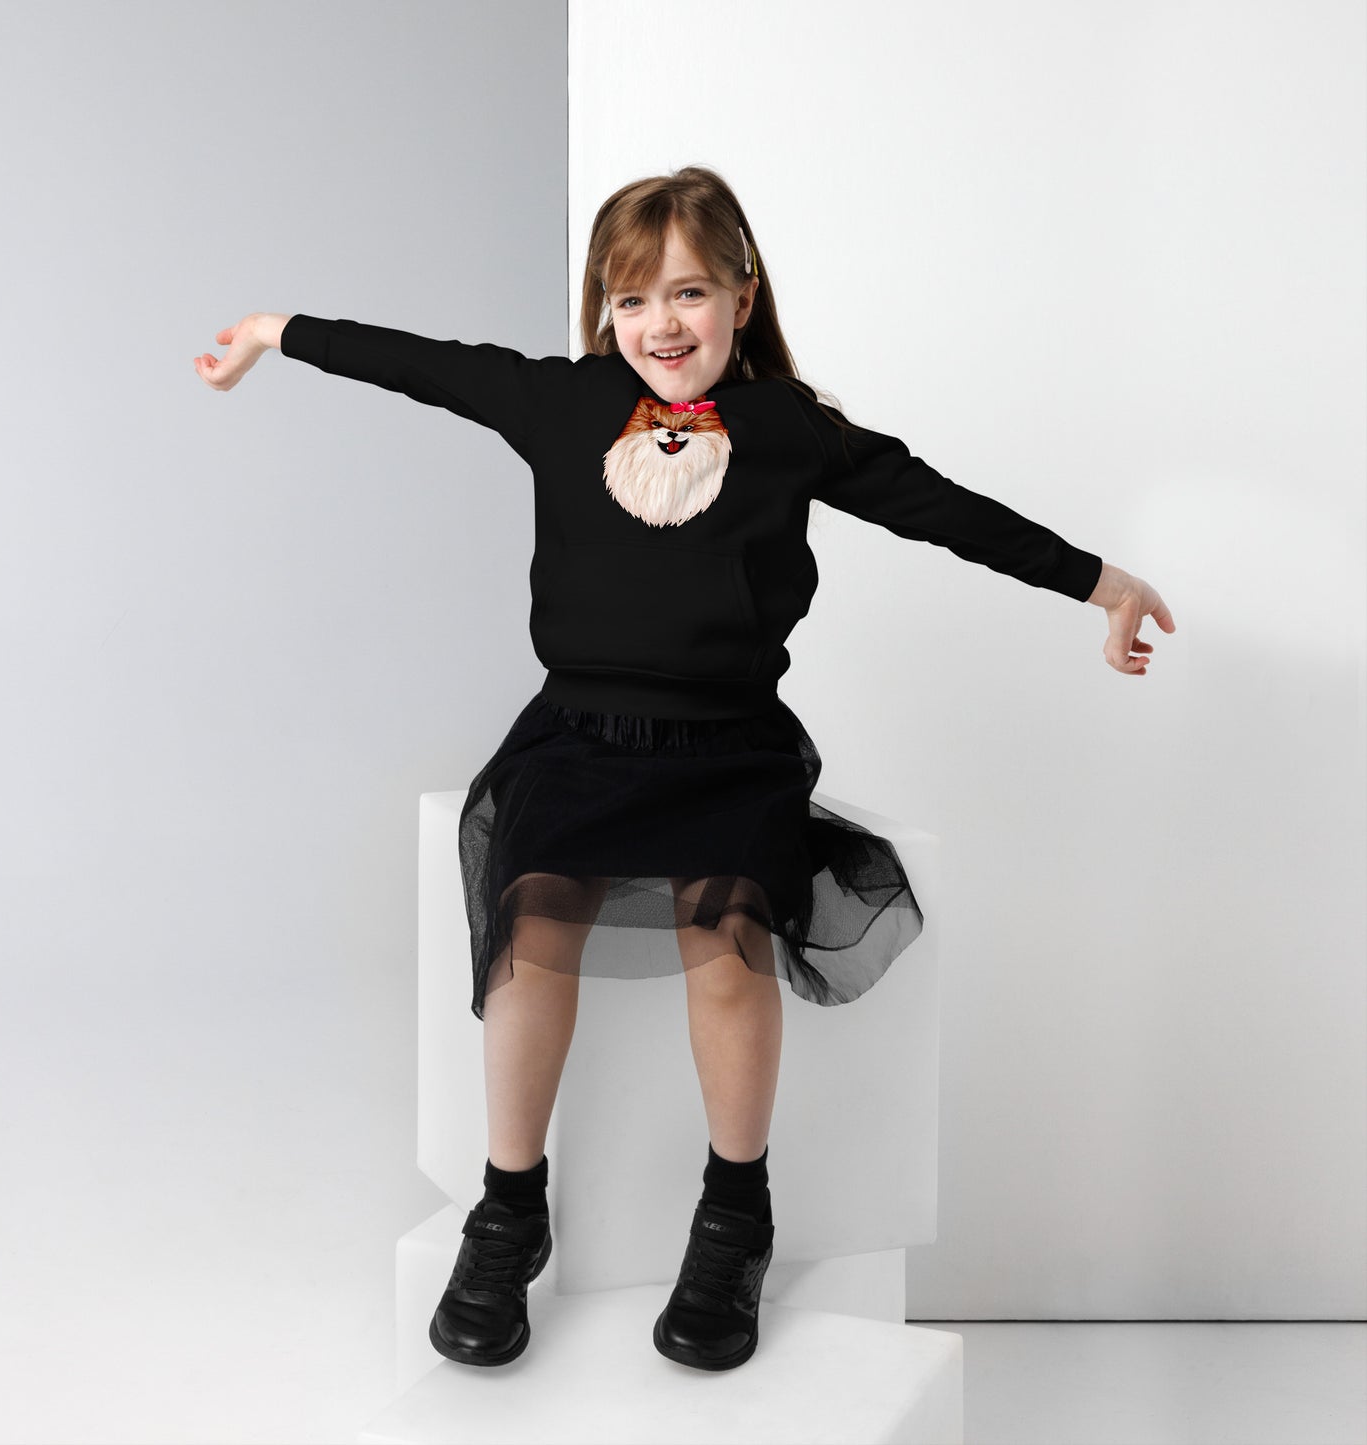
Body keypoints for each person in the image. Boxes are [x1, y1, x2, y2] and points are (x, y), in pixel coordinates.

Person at [194, 164, 1174, 1373]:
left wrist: (1100, 584)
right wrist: (274, 331)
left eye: (689, 292)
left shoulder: (787, 429)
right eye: (631, 299)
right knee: (527, 932)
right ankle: (508, 1206)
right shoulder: (563, 402)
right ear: (603, 310)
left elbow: (937, 507)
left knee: (728, 950)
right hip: (577, 739)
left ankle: (733, 1211)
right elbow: (424, 364)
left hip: (727, 746)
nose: (660, 323)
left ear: (741, 298)